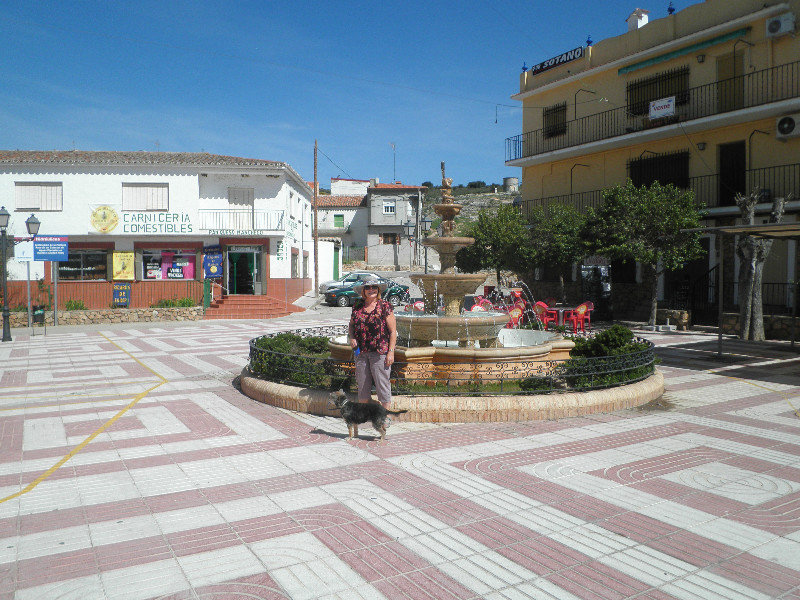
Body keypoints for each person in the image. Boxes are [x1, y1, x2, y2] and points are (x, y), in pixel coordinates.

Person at [348, 275, 397, 409]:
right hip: (361, 353)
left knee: (382, 386)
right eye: (367, 287)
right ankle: (369, 413)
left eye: (374, 287)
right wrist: (352, 338)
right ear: (363, 291)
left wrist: (391, 352)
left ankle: (385, 417)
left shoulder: (385, 306)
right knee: (363, 388)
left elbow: (393, 332)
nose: (371, 290)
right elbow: (351, 325)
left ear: (378, 289)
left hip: (380, 353)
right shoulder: (357, 306)